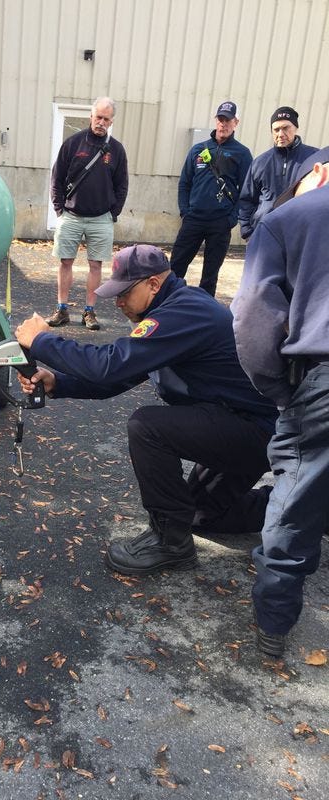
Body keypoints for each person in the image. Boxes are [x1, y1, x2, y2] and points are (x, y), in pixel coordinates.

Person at [15, 244, 277, 576]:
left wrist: (41, 341)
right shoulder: (171, 311)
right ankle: (306, 508)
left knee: (148, 427)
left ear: (153, 284)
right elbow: (119, 378)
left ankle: (170, 544)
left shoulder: (185, 313)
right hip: (241, 424)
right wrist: (58, 383)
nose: (118, 302)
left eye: (125, 293)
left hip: (259, 431)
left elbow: (108, 366)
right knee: (202, 513)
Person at [232, 146, 329, 658]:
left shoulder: (287, 219)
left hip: (320, 378)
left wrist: (280, 392)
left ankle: (273, 625)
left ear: (320, 171)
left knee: (294, 498)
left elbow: (252, 316)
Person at [47, 97, 128, 331]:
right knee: (65, 262)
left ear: (111, 121)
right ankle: (62, 309)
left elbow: (122, 185)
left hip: (101, 218)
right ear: (91, 117)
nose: (101, 122)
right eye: (98, 117)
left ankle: (89, 312)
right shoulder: (73, 143)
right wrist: (59, 209)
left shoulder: (117, 150)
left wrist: (113, 213)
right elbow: (56, 178)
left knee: (95, 265)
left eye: (106, 119)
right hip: (71, 216)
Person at [170, 101, 252, 297]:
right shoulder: (198, 149)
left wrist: (231, 219)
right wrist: (185, 212)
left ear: (236, 123)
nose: (223, 124)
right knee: (175, 268)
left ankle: (203, 311)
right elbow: (185, 183)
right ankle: (169, 304)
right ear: (216, 121)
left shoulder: (242, 153)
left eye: (228, 120)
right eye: (220, 119)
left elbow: (247, 192)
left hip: (220, 223)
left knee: (210, 275)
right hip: (194, 219)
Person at [238, 106, 317, 241]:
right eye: (276, 129)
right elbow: (247, 199)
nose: (280, 134)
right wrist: (247, 231)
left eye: (286, 128)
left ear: (296, 128)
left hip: (300, 235)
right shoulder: (260, 162)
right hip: (264, 234)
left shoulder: (313, 159)